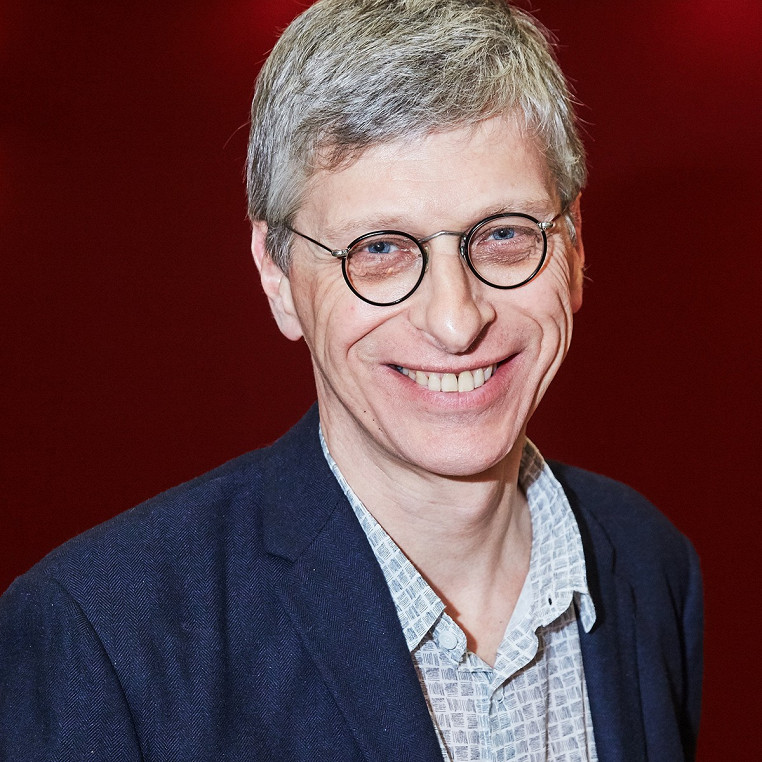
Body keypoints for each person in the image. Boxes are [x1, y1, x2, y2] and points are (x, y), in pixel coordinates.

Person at [0, 1, 702, 759]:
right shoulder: (102, 643)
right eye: (379, 250)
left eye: (504, 234)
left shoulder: (651, 563)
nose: (456, 321)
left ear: (574, 245)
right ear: (277, 276)